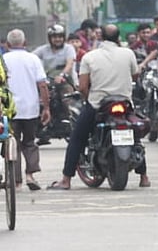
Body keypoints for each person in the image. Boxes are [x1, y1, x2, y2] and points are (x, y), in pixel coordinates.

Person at [52, 24, 150, 189]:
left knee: (77, 138)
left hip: (98, 103)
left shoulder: (90, 57)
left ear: (100, 37)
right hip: (125, 103)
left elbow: (82, 87)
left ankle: (66, 179)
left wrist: (87, 97)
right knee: (134, 135)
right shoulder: (128, 53)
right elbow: (134, 74)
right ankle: (144, 177)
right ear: (118, 37)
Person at [3, 29, 50, 190]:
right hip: (30, 108)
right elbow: (42, 85)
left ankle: (16, 182)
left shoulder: (3, 60)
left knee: (11, 143)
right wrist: (47, 108)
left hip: (9, 110)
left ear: (7, 44)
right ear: (25, 43)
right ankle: (30, 175)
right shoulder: (33, 59)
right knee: (29, 142)